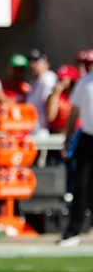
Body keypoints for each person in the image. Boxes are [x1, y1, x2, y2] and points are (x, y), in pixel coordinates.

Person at [60, 62, 93, 246]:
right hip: (88, 139)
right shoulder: (84, 82)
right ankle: (73, 231)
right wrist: (67, 137)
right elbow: (74, 111)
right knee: (81, 185)